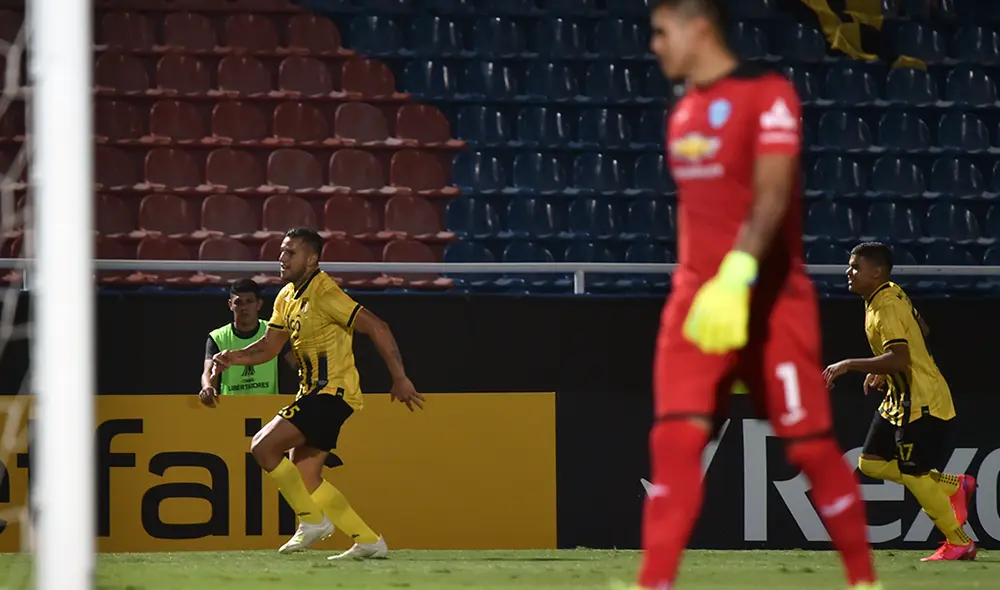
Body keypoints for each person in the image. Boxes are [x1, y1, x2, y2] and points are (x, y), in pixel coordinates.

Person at [637, 1, 879, 589]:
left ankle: (863, 580)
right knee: (675, 439)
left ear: (699, 29)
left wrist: (738, 273)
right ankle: (655, 581)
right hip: (698, 304)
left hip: (769, 301)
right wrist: (695, 285)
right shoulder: (682, 112)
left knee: (812, 448)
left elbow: (772, 196)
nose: (654, 45)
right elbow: (697, 214)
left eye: (661, 32)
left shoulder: (768, 96)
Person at [211, 227, 425, 560]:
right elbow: (270, 346)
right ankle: (368, 541)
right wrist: (232, 358)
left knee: (263, 446)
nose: (282, 258)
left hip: (332, 393)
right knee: (306, 474)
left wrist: (400, 378)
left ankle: (311, 521)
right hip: (310, 393)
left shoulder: (325, 292)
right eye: (281, 251)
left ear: (312, 259)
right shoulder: (286, 297)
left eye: (290, 252)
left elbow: (377, 326)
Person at [824, 242, 977, 562]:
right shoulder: (890, 292)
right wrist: (885, 372)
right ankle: (953, 485)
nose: (848, 272)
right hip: (899, 398)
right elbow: (923, 329)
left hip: (919, 401)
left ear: (876, 271)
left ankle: (959, 541)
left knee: (915, 472)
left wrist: (851, 364)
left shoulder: (886, 306)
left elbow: (899, 357)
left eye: (855, 267)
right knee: (871, 462)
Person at [200, 278, 296, 405]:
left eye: (249, 301)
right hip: (231, 408)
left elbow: (297, 364)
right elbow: (208, 372)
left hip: (268, 407)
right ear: (230, 305)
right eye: (238, 302)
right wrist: (207, 387)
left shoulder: (273, 332)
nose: (244, 307)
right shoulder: (217, 337)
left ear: (259, 304)